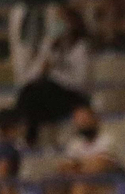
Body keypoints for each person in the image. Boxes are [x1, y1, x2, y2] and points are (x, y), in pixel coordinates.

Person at [14, 8, 92, 147]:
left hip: (72, 94)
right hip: (49, 92)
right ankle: (27, 134)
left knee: (41, 92)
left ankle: (30, 135)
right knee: (28, 91)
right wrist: (43, 67)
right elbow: (32, 75)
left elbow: (80, 81)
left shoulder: (80, 48)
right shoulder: (51, 45)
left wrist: (53, 73)